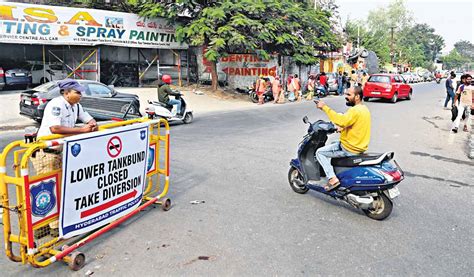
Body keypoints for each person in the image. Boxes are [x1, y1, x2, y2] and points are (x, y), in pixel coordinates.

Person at [33, 79, 98, 175]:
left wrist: (92, 124)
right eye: (77, 92)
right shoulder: (56, 104)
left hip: (61, 152)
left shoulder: (76, 106)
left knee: (62, 184)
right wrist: (82, 130)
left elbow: (88, 119)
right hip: (47, 153)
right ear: (66, 93)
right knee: (50, 186)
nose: (81, 95)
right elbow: (54, 128)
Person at [314, 86, 371, 191]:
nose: (346, 97)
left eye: (349, 95)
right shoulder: (364, 109)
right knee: (335, 142)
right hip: (359, 146)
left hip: (349, 148)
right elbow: (354, 125)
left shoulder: (355, 110)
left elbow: (340, 120)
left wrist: (324, 107)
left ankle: (332, 179)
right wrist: (343, 128)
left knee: (319, 152)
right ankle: (336, 171)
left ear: (357, 96)